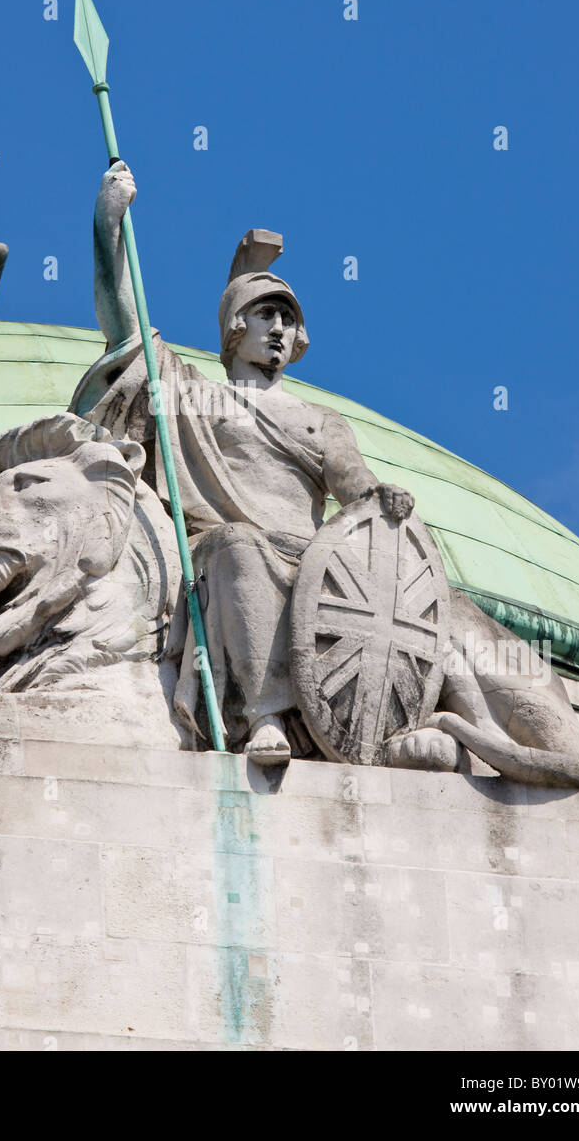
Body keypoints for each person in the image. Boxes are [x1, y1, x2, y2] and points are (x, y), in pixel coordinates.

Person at [71, 162, 414, 765]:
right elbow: (123, 328)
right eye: (266, 316)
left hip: (317, 570)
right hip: (232, 553)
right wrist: (109, 225)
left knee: (258, 548)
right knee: (237, 545)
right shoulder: (193, 395)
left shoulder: (321, 421)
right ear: (235, 326)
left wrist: (384, 499)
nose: (280, 330)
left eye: (289, 320)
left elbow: (357, 490)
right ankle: (264, 717)